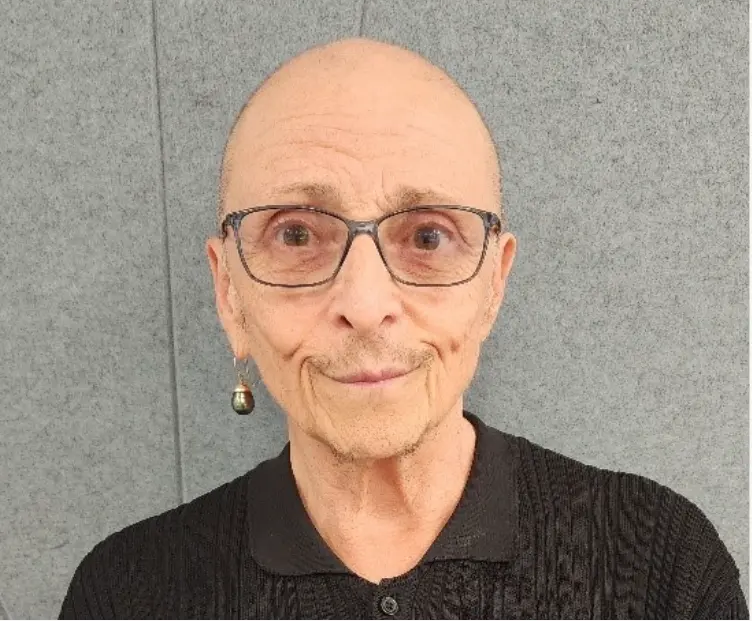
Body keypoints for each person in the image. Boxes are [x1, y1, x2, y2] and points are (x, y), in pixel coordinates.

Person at [59, 36, 747, 619]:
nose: (364, 301)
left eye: (428, 235)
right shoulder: (128, 592)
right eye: (297, 233)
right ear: (228, 292)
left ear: (493, 283)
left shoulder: (660, 566)